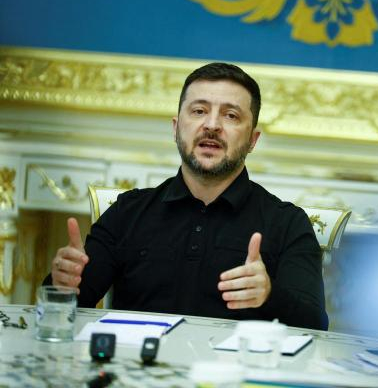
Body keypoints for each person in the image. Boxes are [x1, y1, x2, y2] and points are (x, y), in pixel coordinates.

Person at [43, 63, 328, 330]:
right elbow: (60, 307)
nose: (212, 125)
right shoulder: (128, 211)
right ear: (176, 127)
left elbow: (316, 326)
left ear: (253, 140)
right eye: (199, 111)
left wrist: (268, 295)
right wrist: (60, 283)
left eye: (231, 115)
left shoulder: (287, 223)